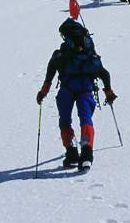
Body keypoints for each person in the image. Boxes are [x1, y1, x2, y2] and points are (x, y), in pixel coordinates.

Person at [36, 18, 117, 171]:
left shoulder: (60, 55)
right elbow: (104, 73)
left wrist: (43, 92)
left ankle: (72, 152)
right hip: (86, 90)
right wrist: (108, 91)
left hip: (66, 90)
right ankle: (86, 154)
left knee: (65, 120)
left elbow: (50, 75)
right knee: (85, 119)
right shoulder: (89, 53)